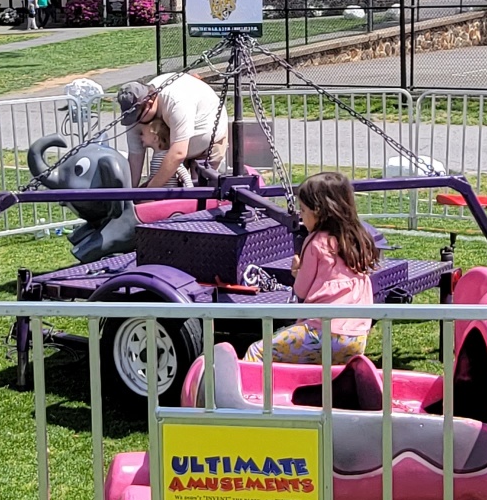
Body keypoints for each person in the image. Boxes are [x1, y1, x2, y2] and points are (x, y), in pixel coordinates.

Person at [244, 171, 377, 366]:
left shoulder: (315, 242)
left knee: (257, 351)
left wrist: (297, 273)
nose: (301, 216)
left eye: (303, 211)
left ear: (320, 211)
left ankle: (251, 394)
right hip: (355, 337)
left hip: (321, 331)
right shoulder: (358, 239)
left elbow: (301, 291)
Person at [117, 73, 228, 187]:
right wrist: (130, 198)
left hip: (207, 143)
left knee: (200, 193)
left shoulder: (175, 102)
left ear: (149, 103)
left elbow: (178, 154)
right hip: (175, 149)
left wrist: (149, 192)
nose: (137, 122)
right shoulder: (136, 115)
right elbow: (135, 159)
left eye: (138, 116)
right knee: (169, 186)